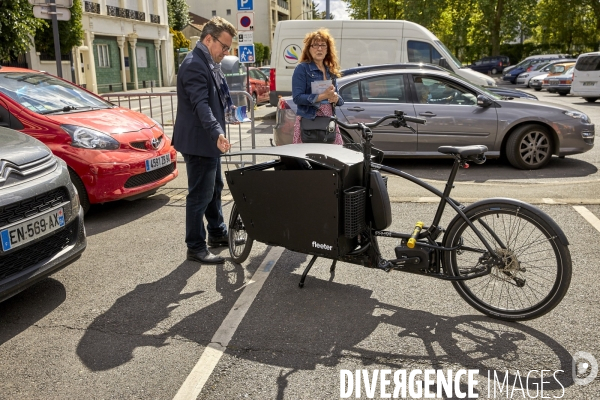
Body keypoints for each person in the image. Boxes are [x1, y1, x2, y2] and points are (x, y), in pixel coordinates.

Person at [172, 17, 236, 264]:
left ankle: (217, 233)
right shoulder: (194, 65)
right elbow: (201, 105)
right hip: (200, 141)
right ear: (208, 39)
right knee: (199, 195)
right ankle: (196, 247)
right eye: (224, 46)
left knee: (214, 188)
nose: (226, 52)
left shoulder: (206, 61)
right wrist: (216, 132)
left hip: (206, 140)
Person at [291, 29, 344, 144]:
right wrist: (323, 96)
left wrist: (335, 98)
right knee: (310, 158)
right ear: (309, 49)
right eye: (315, 45)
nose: (319, 48)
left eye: (323, 45)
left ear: (328, 50)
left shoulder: (330, 70)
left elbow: (340, 100)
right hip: (309, 120)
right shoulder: (302, 69)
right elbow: (297, 98)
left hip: (328, 120)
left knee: (332, 157)